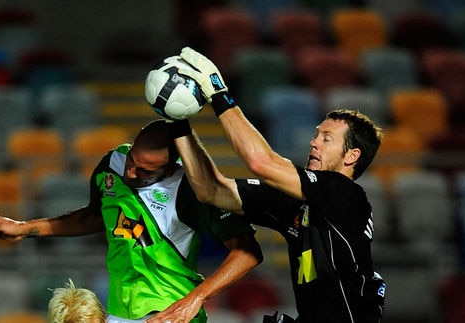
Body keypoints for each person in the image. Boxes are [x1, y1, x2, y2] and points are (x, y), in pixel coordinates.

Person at [154, 47, 386, 323]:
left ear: (352, 156)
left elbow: (260, 162)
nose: (314, 142)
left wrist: (218, 92)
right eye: (316, 135)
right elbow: (211, 190)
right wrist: (177, 123)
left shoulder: (345, 195)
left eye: (326, 138)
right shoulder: (297, 203)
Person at [0, 119, 263, 323]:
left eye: (146, 171)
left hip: (169, 312)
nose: (131, 174)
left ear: (170, 168)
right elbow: (95, 217)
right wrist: (24, 229)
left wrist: (195, 299)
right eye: (132, 161)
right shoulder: (111, 164)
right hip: (119, 311)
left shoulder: (192, 189)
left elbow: (247, 252)